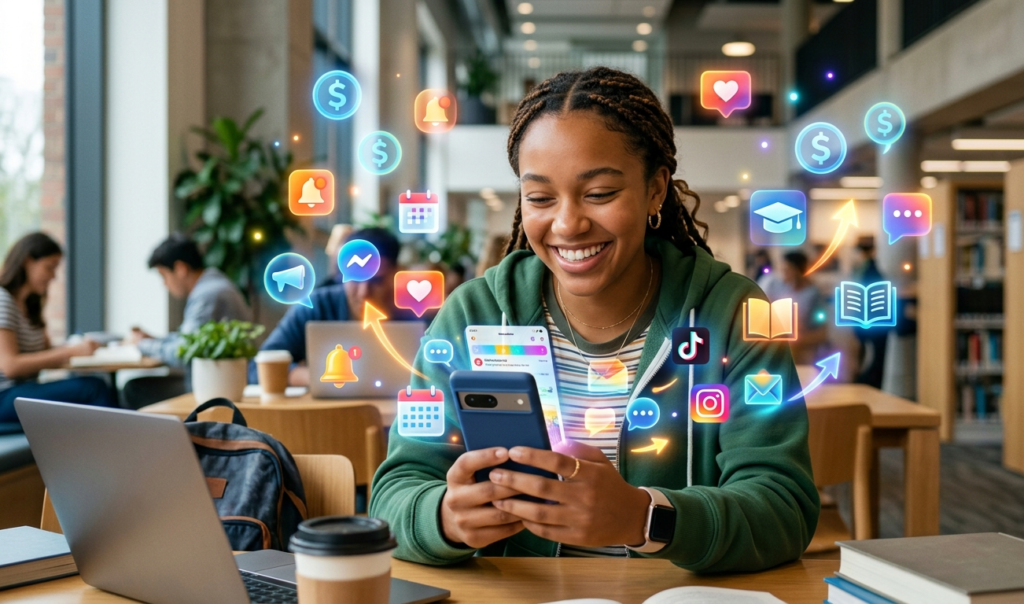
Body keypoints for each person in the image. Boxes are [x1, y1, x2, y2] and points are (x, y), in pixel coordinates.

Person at [370, 67, 819, 573]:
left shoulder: (732, 314)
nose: (568, 224)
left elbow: (784, 507)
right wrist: (445, 518)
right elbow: (394, 493)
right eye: (540, 198)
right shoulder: (473, 315)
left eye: (600, 193)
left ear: (655, 190)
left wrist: (643, 518)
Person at [251, 227, 414, 386]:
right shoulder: (317, 306)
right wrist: (315, 378)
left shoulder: (414, 310)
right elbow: (256, 369)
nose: (364, 292)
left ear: (396, 274)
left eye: (376, 281)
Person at [0, 232, 114, 425]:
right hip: (5, 395)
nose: (53, 276)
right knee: (94, 388)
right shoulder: (3, 300)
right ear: (27, 262)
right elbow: (11, 366)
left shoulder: (30, 306)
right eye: (49, 267)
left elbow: (44, 352)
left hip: (21, 391)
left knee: (97, 387)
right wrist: (69, 352)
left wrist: (78, 349)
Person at [129, 234, 251, 365]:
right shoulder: (212, 283)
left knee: (137, 380)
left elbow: (184, 351)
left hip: (221, 376)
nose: (164, 284)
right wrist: (155, 340)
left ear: (180, 269)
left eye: (164, 275)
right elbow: (188, 338)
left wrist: (141, 344)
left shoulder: (206, 295)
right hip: (221, 373)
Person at [758, 251, 828, 364]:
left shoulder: (813, 296)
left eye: (787, 270)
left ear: (797, 270)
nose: (783, 274)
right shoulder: (781, 288)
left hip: (804, 354)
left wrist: (796, 340)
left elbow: (822, 334)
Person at [852, 237, 889, 388]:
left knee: (874, 356)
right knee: (872, 355)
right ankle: (866, 381)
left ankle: (867, 382)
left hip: (871, 319)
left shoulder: (869, 269)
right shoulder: (866, 268)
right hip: (870, 318)